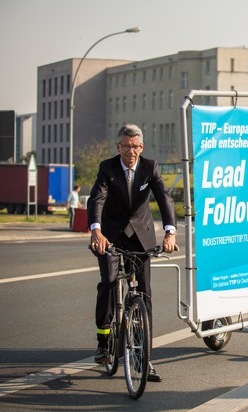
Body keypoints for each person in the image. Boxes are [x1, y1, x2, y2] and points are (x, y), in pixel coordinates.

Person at [87, 124, 178, 383]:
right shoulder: (107, 168)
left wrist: (170, 232)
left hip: (141, 236)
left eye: (136, 146)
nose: (131, 151)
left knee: (144, 292)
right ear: (118, 147)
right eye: (126, 146)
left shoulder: (150, 167)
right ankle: (104, 341)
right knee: (109, 281)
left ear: (142, 147)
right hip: (110, 236)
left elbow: (164, 198)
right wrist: (96, 231)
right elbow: (97, 199)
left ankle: (144, 359)